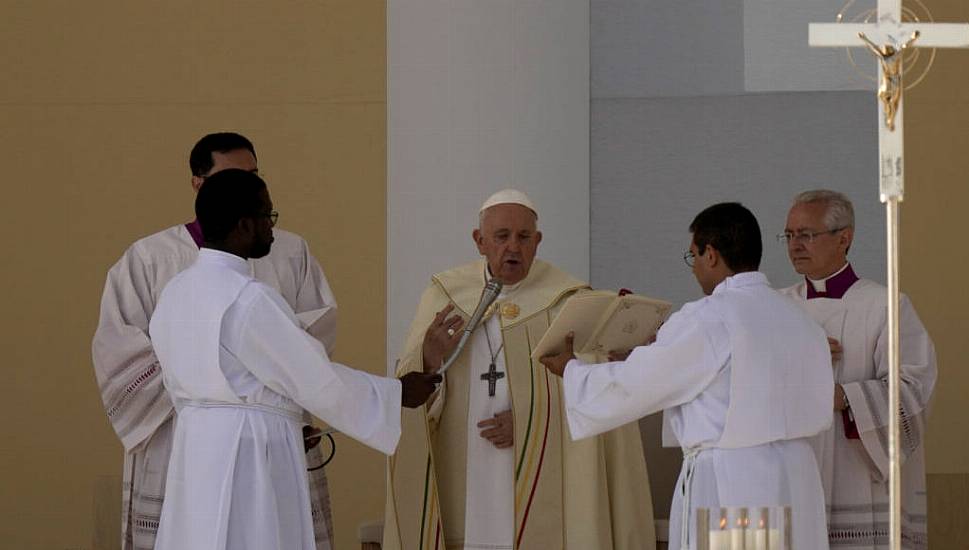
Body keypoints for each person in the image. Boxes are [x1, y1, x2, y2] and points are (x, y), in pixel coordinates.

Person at [148, 169, 440, 550]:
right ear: (243, 225)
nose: (272, 228)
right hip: (249, 453)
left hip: (196, 447)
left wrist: (279, 413)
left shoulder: (176, 291)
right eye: (267, 216)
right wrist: (397, 392)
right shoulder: (248, 299)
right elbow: (314, 379)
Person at [92, 132, 339, 550]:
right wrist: (204, 385)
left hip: (268, 429)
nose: (245, 187)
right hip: (179, 429)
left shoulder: (290, 250)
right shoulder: (150, 257)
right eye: (231, 176)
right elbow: (118, 345)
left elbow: (314, 328)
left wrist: (272, 390)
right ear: (198, 183)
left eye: (253, 175)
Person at [541, 202, 835, 550]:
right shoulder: (797, 317)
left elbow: (638, 385)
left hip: (734, 483)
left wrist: (574, 370)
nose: (693, 268)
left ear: (710, 254)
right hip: (796, 478)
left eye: (692, 255)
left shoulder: (710, 316)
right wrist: (645, 355)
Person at [383, 189, 655, 550]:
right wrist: (429, 360)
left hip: (542, 480)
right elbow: (409, 391)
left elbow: (591, 389)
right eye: (501, 236)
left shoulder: (567, 300)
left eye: (524, 237)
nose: (513, 246)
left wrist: (531, 421)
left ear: (537, 241)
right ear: (479, 241)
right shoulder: (444, 296)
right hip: (463, 471)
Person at [779, 189, 936, 549]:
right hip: (795, 471)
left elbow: (914, 387)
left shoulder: (886, 305)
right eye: (789, 235)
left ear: (844, 238)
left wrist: (844, 397)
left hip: (859, 476)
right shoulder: (776, 308)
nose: (794, 245)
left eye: (806, 234)